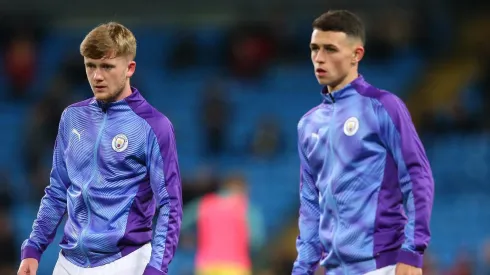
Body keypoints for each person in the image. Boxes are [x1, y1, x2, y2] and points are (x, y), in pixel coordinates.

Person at [17, 22, 183, 275]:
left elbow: (170, 204)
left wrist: (157, 268)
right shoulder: (72, 117)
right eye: (90, 66)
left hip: (125, 262)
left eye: (106, 66)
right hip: (68, 262)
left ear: (130, 68)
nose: (96, 76)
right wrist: (34, 248)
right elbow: (58, 191)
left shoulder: (154, 126)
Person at [292, 10, 434, 275]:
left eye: (330, 49)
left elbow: (417, 177)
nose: (319, 58)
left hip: (383, 265)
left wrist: (413, 251)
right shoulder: (308, 125)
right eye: (314, 48)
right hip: (334, 270)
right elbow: (310, 205)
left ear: (356, 55)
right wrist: (302, 269)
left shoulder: (383, 107)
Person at [180, 172, 265, 275]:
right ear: (243, 188)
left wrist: (194, 239)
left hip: (206, 265)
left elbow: (180, 223)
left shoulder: (204, 204)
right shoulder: (246, 208)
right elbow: (256, 240)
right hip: (235, 266)